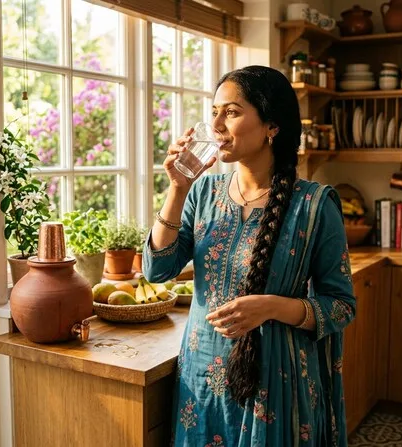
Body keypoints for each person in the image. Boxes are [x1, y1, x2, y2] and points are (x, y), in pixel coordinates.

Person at [143, 65, 356, 447]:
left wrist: (272, 307)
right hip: (200, 382)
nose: (216, 125)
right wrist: (177, 189)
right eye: (214, 112)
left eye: (232, 112)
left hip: (276, 385)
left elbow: (341, 307)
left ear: (271, 126)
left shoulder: (313, 205)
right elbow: (157, 270)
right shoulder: (202, 193)